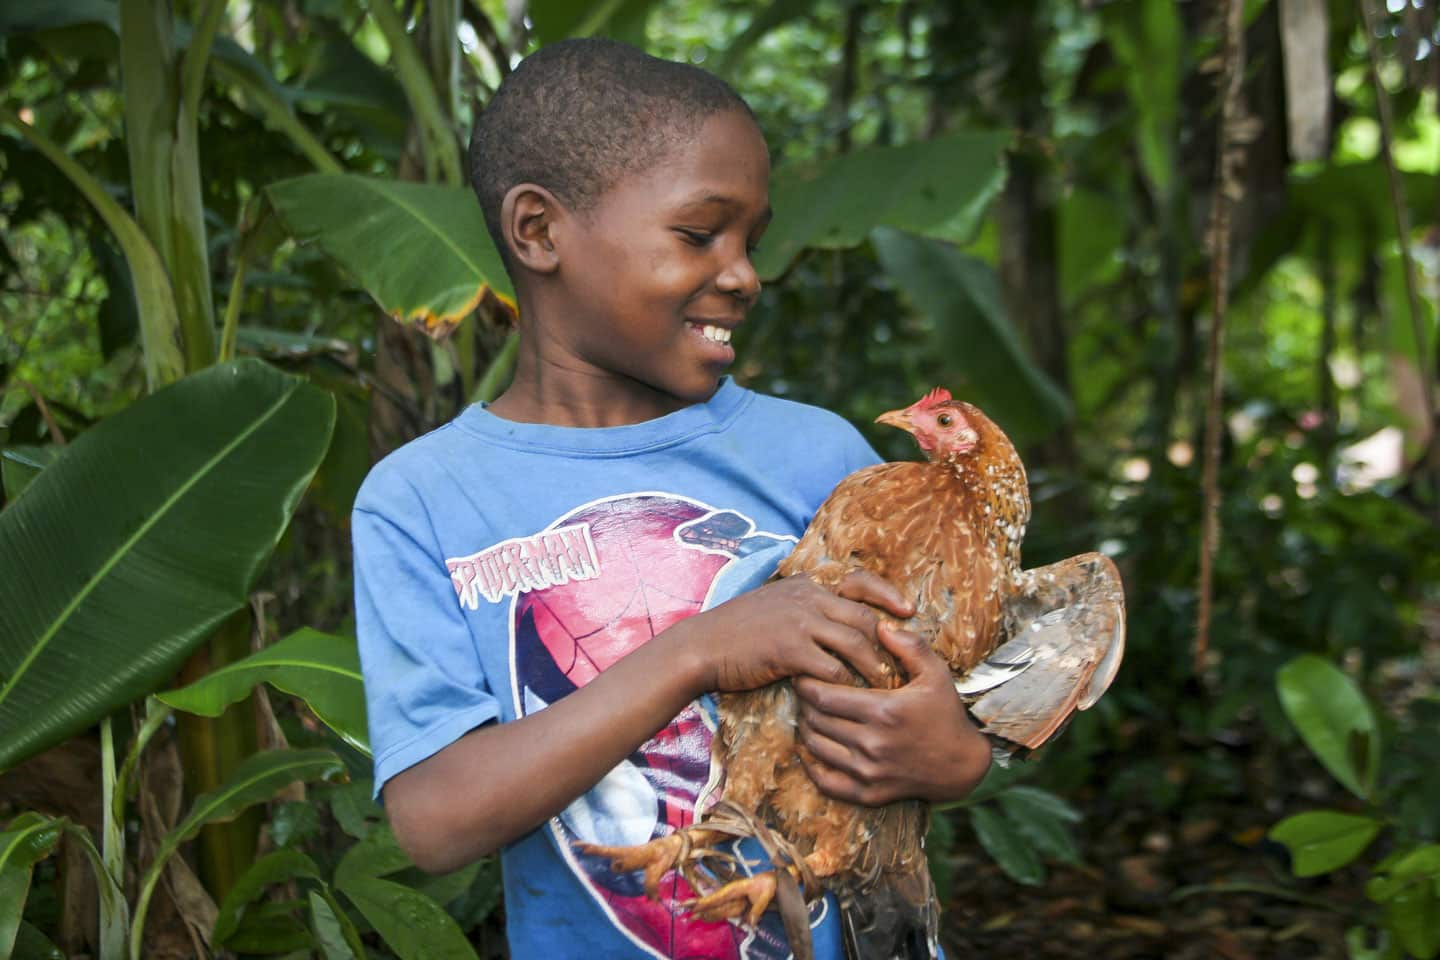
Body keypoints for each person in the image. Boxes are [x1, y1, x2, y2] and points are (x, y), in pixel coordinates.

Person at [352, 37, 992, 960]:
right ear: (538, 232)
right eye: (700, 234)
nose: (743, 274)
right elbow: (436, 820)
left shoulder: (820, 457)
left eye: (751, 242)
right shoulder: (422, 500)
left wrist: (955, 756)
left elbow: (937, 710)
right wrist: (696, 652)